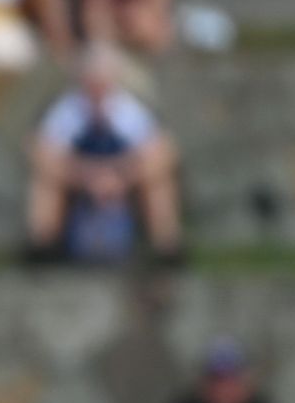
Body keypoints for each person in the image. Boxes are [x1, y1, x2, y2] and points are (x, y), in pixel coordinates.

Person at [26, 44, 181, 262]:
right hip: (80, 179)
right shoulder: (68, 108)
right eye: (92, 82)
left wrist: (118, 177)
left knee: (158, 182)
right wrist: (87, 176)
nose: (97, 89)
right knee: (45, 181)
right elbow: (41, 151)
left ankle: (167, 249)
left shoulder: (128, 108)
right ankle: (43, 246)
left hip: (122, 179)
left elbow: (162, 151)